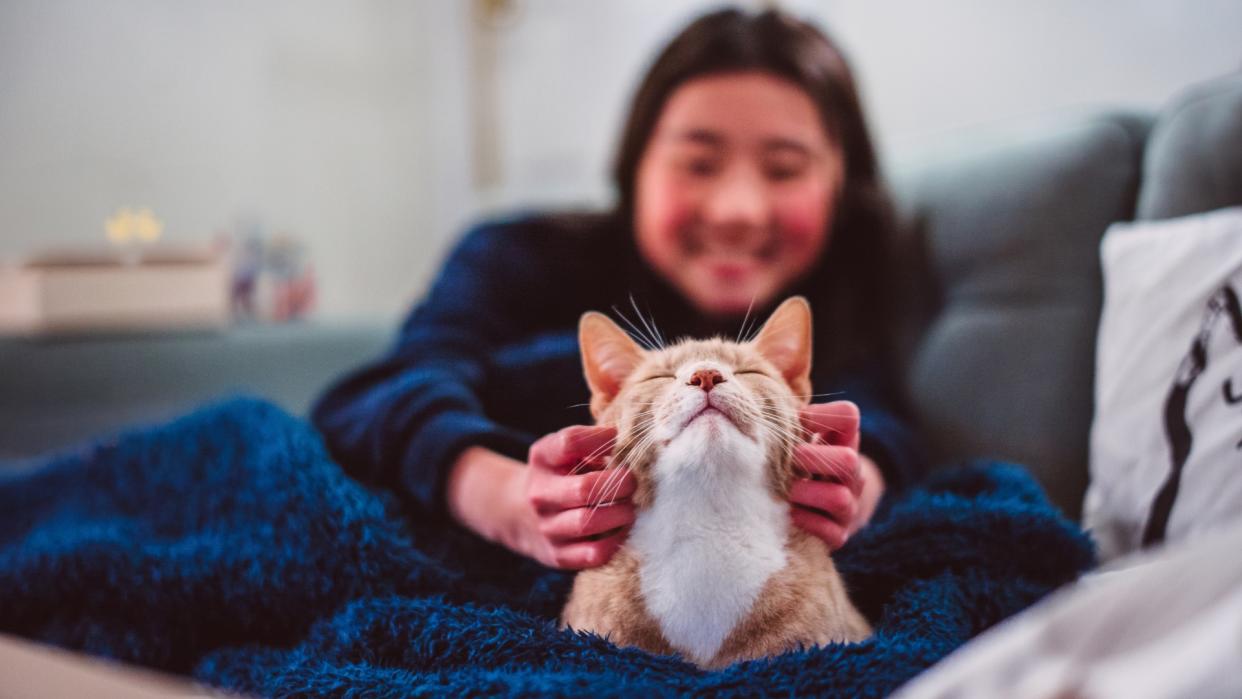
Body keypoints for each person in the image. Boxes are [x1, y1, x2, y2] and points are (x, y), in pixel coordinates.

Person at [311, 7, 922, 571]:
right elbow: (391, 387)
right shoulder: (513, 255)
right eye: (699, 164)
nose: (738, 208)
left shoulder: (845, 293)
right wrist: (506, 499)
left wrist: (855, 485)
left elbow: (881, 424)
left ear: (842, 187)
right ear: (635, 166)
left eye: (784, 169)